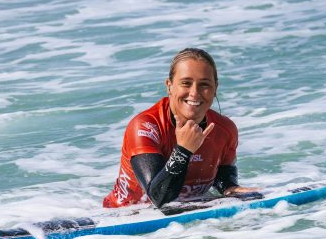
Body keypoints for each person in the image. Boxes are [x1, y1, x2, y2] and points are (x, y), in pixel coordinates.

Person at [103, 48, 258, 208]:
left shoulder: (225, 129)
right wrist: (183, 150)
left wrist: (229, 187)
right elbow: (158, 198)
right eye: (186, 83)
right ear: (169, 86)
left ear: (215, 88)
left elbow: (224, 177)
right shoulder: (146, 127)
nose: (195, 93)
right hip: (125, 217)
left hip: (183, 218)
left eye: (204, 85)